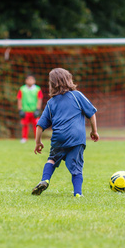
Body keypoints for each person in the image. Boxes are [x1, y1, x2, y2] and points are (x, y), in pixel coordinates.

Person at [32, 68, 99, 197]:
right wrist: (94, 131)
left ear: (52, 84)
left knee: (52, 159)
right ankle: (78, 193)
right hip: (77, 137)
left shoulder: (51, 103)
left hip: (59, 137)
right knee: (77, 166)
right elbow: (92, 113)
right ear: (69, 80)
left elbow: (40, 125)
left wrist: (38, 142)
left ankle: (45, 180)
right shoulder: (77, 95)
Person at [17, 75, 43, 143]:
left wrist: (38, 109)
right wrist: (20, 109)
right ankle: (24, 138)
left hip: (34, 110)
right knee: (25, 125)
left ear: (34, 81)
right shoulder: (22, 89)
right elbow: (19, 99)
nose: (30, 81)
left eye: (31, 80)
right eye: (28, 80)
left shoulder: (37, 89)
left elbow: (40, 99)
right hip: (25, 110)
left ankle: (37, 138)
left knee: (36, 125)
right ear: (26, 81)